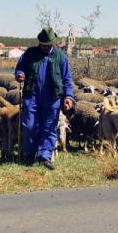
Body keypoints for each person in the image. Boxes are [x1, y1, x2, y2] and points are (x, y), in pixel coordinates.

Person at [15, 26, 75, 169]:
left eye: (49, 45)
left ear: (53, 43)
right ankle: (30, 153)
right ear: (40, 43)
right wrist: (19, 75)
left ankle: (45, 157)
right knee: (29, 125)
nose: (47, 48)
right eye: (44, 45)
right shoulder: (30, 54)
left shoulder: (61, 57)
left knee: (49, 127)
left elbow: (67, 79)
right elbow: (20, 68)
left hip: (52, 97)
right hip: (32, 95)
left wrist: (68, 96)